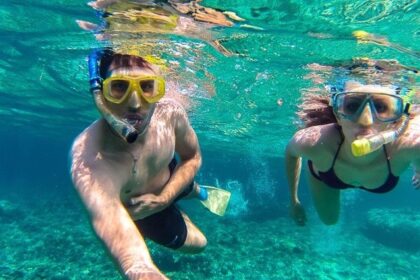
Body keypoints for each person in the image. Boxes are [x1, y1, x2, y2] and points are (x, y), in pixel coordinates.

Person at [70, 49, 229, 279]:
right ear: (102, 93)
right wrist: (142, 268)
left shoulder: (171, 113)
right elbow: (109, 218)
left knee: (186, 185)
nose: (134, 104)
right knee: (199, 244)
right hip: (141, 209)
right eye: (119, 87)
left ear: (158, 90)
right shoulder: (88, 157)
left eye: (146, 86)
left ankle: (198, 192)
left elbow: (192, 158)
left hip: (168, 174)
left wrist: (164, 199)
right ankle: (184, 199)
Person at [285, 59, 419, 226]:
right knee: (329, 220)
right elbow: (291, 153)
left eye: (382, 108)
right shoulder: (313, 143)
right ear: (338, 115)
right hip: (326, 171)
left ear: (396, 119)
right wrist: (294, 199)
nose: (366, 121)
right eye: (352, 106)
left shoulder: (411, 145)